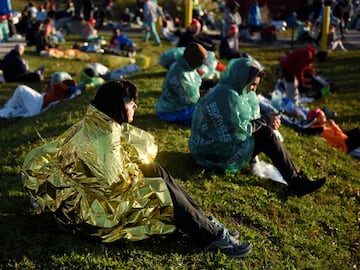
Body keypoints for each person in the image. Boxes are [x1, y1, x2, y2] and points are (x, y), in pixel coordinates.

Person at [21, 79, 252, 258]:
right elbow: (113, 188)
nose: (136, 107)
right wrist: (137, 173)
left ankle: (203, 221)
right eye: (132, 103)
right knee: (159, 189)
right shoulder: (103, 137)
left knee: (156, 170)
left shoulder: (97, 121)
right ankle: (210, 236)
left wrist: (139, 168)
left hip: (86, 195)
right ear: (118, 104)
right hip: (96, 214)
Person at [189, 58, 326, 197]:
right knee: (265, 133)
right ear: (242, 78)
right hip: (211, 155)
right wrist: (265, 121)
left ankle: (297, 177)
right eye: (252, 84)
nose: (254, 88)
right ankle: (296, 182)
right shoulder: (227, 96)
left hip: (213, 148)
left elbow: (247, 121)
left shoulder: (233, 90)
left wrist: (268, 122)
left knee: (265, 131)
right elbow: (238, 133)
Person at [156, 42, 209, 126]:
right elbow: (191, 99)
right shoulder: (181, 74)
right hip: (173, 112)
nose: (200, 66)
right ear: (194, 61)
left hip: (168, 108)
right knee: (208, 114)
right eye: (200, 63)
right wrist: (206, 94)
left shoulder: (182, 66)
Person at [0, 79, 78, 122]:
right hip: (40, 100)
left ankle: (8, 106)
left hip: (38, 104)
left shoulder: (59, 89)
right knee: (20, 108)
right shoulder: (68, 95)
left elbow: (58, 86)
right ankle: (8, 107)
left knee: (21, 89)